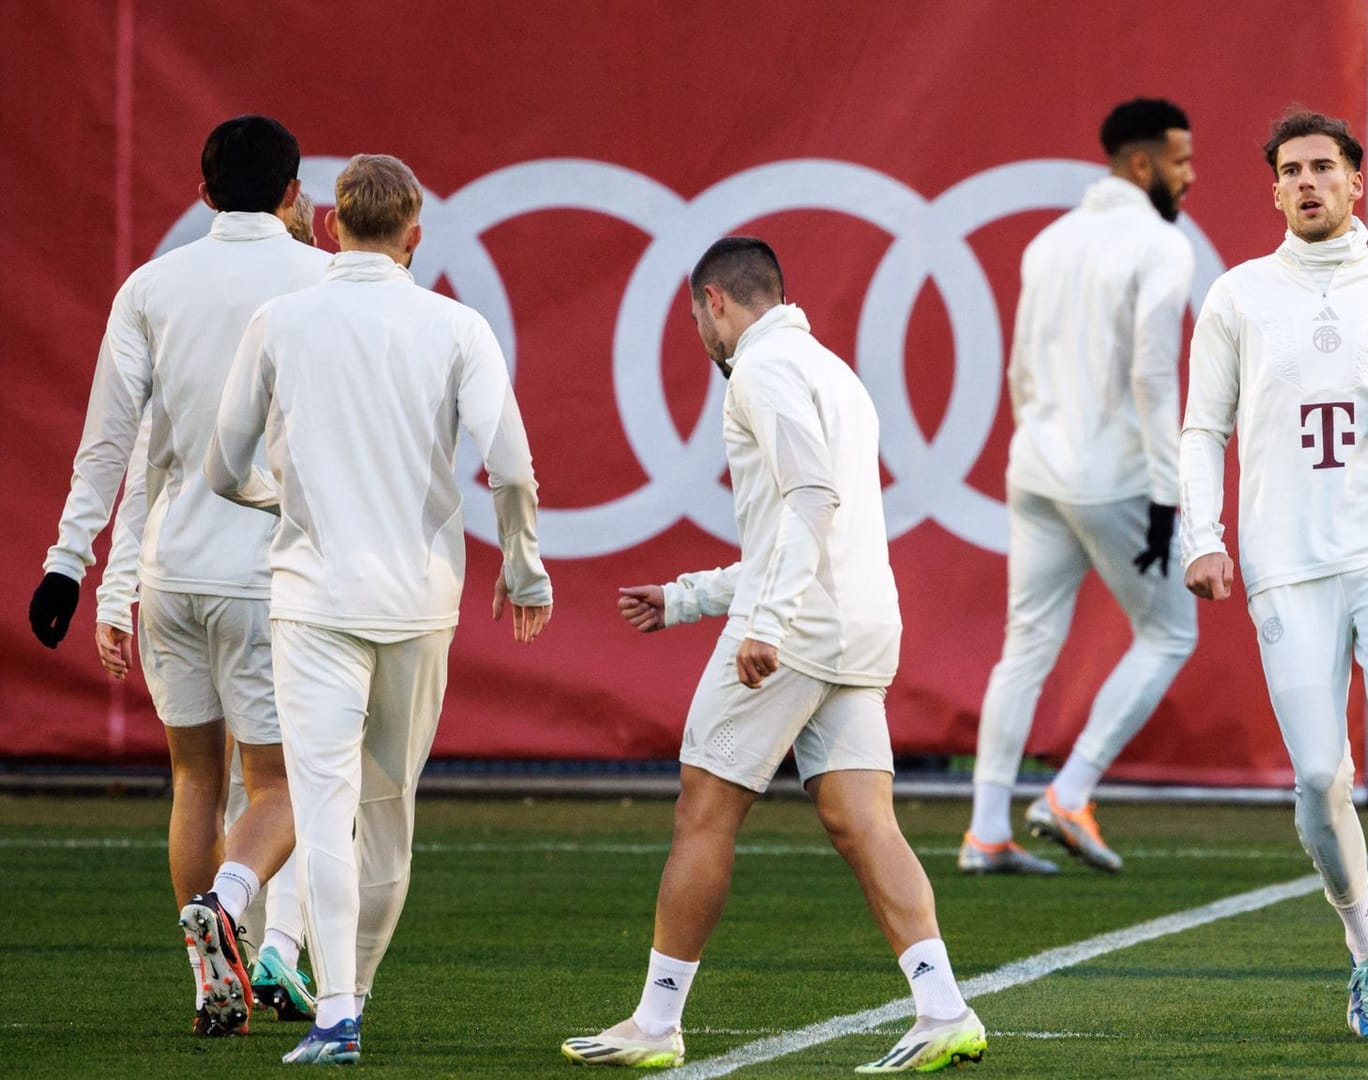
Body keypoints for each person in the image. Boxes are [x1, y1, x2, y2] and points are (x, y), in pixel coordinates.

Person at [565, 238, 985, 1072]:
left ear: (715, 302)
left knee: (703, 810)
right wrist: (688, 597)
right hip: (859, 625)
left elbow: (811, 501)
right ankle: (943, 1008)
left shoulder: (759, 371)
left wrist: (767, 624)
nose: (700, 336)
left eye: (696, 320)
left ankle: (655, 1023)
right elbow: (804, 526)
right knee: (862, 820)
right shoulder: (834, 372)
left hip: (797, 629)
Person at [206, 153, 554, 1065]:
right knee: (389, 812)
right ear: (414, 234)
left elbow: (220, 465)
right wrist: (524, 571)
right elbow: (511, 466)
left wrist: (278, 499)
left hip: (314, 598)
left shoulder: (281, 319)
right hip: (417, 599)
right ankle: (350, 996)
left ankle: (336, 1011)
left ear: (326, 226)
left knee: (324, 808)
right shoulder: (456, 325)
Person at [1180, 109, 1368, 1039]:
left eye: (1324, 167)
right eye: (1291, 170)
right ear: (1272, 189)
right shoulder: (1236, 295)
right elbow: (1203, 429)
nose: (1308, 182)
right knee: (1317, 775)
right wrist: (1203, 532)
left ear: (1356, 184)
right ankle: (1364, 951)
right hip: (1285, 559)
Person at [27, 115, 326, 1036]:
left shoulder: (150, 287)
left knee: (196, 781)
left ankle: (211, 986)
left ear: (201, 192)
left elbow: (109, 445)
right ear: (293, 192)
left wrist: (68, 564)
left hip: (173, 573)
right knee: (282, 788)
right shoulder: (322, 282)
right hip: (272, 575)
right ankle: (232, 910)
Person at [961, 97, 1199, 876]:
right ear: (1142, 165)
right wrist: (1171, 492)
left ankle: (986, 831)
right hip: (1114, 476)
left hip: (1035, 466)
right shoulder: (1161, 246)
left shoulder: (1048, 240)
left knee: (1024, 645)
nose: (1190, 176)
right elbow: (1154, 376)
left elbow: (1020, 365)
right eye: (1181, 160)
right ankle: (1071, 790)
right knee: (1170, 633)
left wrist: (1039, 434)